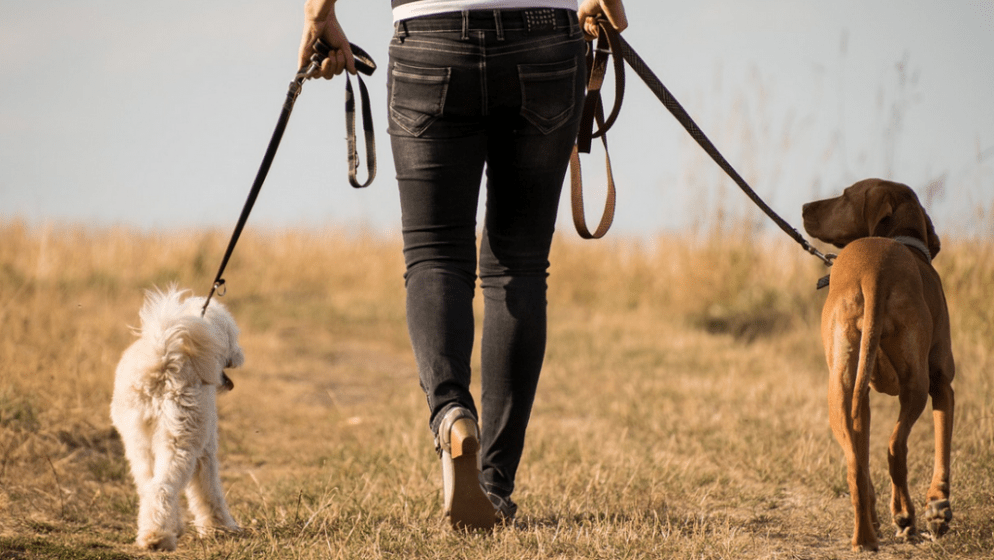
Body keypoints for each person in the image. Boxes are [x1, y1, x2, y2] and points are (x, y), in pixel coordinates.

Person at [298, 0, 628, 530]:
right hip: (545, 37)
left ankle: (452, 413)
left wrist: (319, 15)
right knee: (518, 266)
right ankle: (493, 485)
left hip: (430, 34)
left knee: (435, 253)